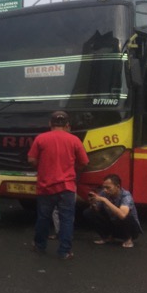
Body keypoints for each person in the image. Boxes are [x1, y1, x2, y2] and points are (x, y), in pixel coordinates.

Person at [28, 111, 89, 260]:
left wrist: (41, 166)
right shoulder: (74, 140)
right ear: (67, 125)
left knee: (43, 218)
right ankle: (64, 251)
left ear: (50, 124)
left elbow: (31, 159)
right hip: (67, 187)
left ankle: (40, 245)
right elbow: (84, 162)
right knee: (66, 219)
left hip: (45, 186)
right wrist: (73, 169)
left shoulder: (41, 139)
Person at [83, 174, 143, 248]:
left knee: (124, 215)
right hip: (114, 223)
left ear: (117, 187)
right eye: (104, 187)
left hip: (131, 229)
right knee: (88, 212)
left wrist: (105, 200)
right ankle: (106, 237)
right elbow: (97, 210)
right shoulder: (104, 193)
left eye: (108, 188)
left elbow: (122, 215)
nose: (105, 190)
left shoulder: (126, 196)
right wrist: (93, 204)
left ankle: (128, 239)